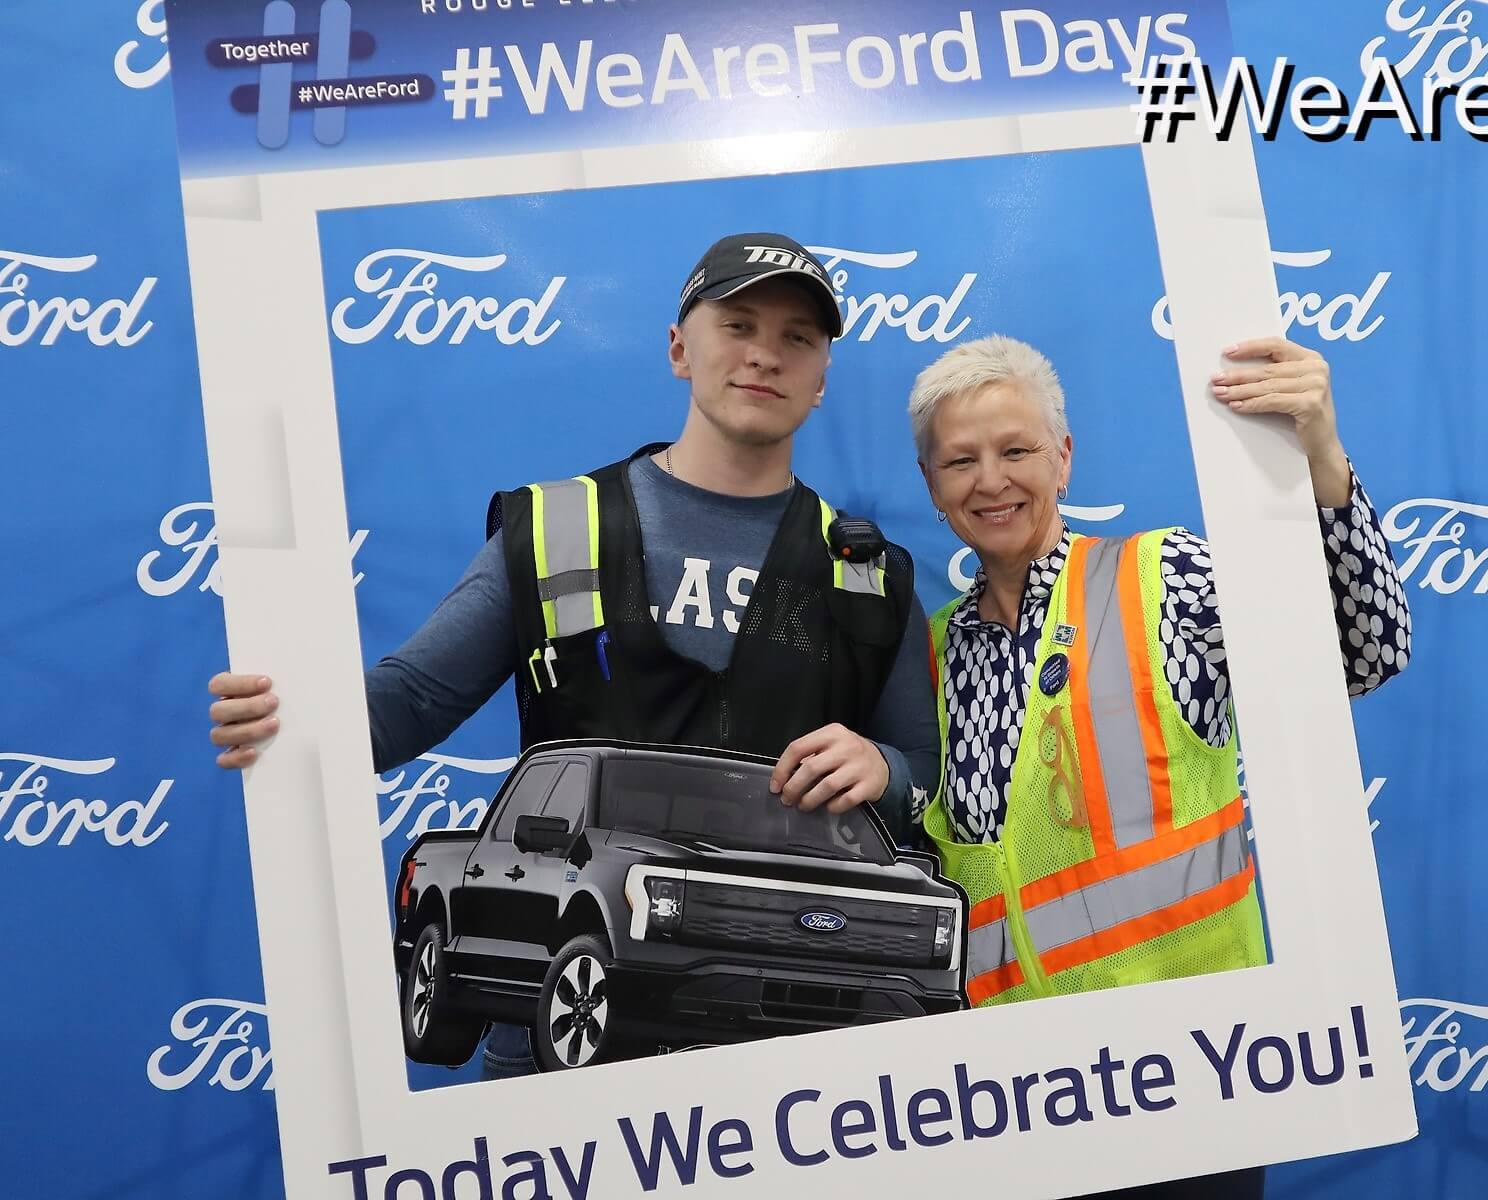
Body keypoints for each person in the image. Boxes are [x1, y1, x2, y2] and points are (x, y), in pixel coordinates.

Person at [207, 232, 938, 1076]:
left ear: (819, 384)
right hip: (561, 1067)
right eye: (738, 324)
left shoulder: (868, 573)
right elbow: (408, 702)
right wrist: (292, 721)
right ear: (679, 349)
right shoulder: (556, 528)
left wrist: (883, 769)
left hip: (792, 1066)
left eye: (797, 339)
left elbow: (922, 770)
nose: (764, 354)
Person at [906, 333, 1412, 1200]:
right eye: (961, 461)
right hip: (1009, 1101)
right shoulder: (933, 650)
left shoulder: (1161, 579)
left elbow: (1363, 651)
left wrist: (1322, 453)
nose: (990, 480)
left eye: (1017, 450)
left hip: (1187, 1082)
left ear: (1064, 459)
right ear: (933, 487)